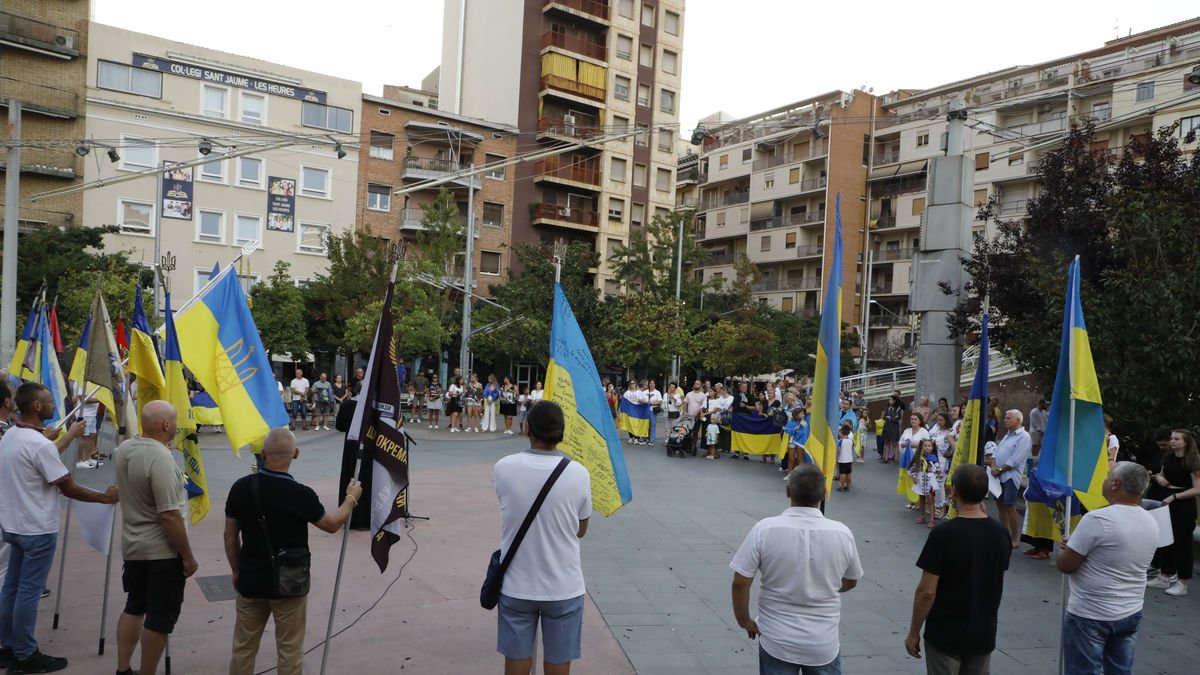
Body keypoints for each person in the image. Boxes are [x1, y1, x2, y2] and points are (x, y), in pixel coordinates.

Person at [0, 383, 119, 674]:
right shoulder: (38, 445)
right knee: (28, 590)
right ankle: (26, 654)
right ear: (37, 407)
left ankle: (6, 646)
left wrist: (59, 438)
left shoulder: (12, 436)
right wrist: (104, 497)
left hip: (14, 525)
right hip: (37, 528)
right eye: (50, 401)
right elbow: (68, 487)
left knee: (12, 588)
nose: (56, 405)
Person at [225, 428, 363, 674]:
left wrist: (236, 570)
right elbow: (331, 525)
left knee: (243, 647)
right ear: (296, 454)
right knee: (290, 650)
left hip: (251, 578)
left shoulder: (241, 487)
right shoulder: (301, 494)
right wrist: (350, 499)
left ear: (263, 454)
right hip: (290, 583)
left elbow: (229, 535)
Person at [731, 464, 863, 675]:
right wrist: (823, 587)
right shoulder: (842, 533)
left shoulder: (764, 529)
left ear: (788, 491)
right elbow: (851, 580)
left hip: (776, 638)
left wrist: (744, 620)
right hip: (823, 642)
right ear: (824, 494)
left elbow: (740, 582)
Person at [494, 402, 591, 675]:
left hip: (516, 583)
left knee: (516, 656)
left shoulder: (504, 467)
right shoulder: (579, 473)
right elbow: (581, 530)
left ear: (528, 428)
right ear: (561, 432)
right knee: (558, 660)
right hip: (563, 585)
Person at [114, 400, 198, 675]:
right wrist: (186, 555)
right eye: (175, 421)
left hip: (134, 547)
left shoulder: (125, 449)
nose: (176, 426)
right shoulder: (160, 458)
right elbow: (169, 515)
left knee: (135, 606)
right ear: (166, 425)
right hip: (161, 552)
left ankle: (123, 668)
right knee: (160, 619)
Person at [905, 464, 1012, 675]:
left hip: (946, 633)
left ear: (953, 490)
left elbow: (927, 591)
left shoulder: (943, 535)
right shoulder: (1001, 534)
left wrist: (914, 631)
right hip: (982, 631)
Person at [1055, 462, 1157, 674]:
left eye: (1108, 476)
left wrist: (1065, 551)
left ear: (1115, 484)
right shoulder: (1150, 520)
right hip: (1130, 610)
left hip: (1091, 613)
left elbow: (1065, 565)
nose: (1105, 479)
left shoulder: (1097, 519)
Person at [1146, 428, 1200, 597]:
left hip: (1183, 504)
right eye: (1172, 438)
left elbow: (1198, 489)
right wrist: (1159, 478)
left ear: (1186, 442)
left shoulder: (1192, 461)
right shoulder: (1168, 457)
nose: (1172, 441)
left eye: (1177, 439)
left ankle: (1182, 582)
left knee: (1182, 543)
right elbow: (1161, 474)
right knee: (1164, 539)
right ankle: (1164, 576)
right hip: (1165, 499)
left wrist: (1175, 496)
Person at [988, 410, 1031, 548]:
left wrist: (999, 470)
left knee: (1009, 506)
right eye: (1005, 418)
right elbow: (996, 453)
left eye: (1008, 418)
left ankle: (1014, 538)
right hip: (999, 476)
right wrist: (994, 466)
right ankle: (1003, 533)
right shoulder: (1007, 435)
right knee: (1000, 505)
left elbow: (1016, 460)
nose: (1005, 420)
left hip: (1010, 476)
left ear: (1018, 420)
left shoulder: (1024, 436)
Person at [909, 439, 945, 527]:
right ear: (922, 447)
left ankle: (932, 519)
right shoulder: (919, 457)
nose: (927, 448)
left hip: (930, 480)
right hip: (921, 479)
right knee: (921, 499)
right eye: (925, 446)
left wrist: (938, 477)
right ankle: (922, 516)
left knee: (930, 500)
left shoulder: (933, 458)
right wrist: (914, 476)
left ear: (932, 447)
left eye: (929, 446)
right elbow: (913, 468)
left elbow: (937, 470)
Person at [898, 413, 930, 510]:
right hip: (908, 459)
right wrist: (906, 444)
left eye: (915, 419)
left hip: (918, 459)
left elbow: (926, 444)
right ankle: (911, 500)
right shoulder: (907, 431)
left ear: (920, 421)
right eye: (911, 419)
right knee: (909, 479)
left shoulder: (923, 431)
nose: (913, 421)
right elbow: (901, 443)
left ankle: (919, 503)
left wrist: (910, 444)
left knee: (918, 480)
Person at [883, 395, 904, 463]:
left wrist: (890, 418)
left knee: (895, 443)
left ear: (894, 401)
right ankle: (886, 458)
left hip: (894, 428)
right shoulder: (888, 408)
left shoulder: (899, 409)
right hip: (887, 427)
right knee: (886, 442)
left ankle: (896, 459)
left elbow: (897, 418)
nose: (889, 401)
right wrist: (888, 417)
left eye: (890, 400)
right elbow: (884, 416)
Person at [836, 424, 855, 493]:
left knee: (842, 474)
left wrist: (837, 457)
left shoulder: (840, 441)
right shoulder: (851, 441)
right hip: (849, 459)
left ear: (842, 432)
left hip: (842, 460)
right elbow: (851, 449)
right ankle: (847, 486)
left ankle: (842, 486)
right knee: (848, 473)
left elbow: (839, 451)